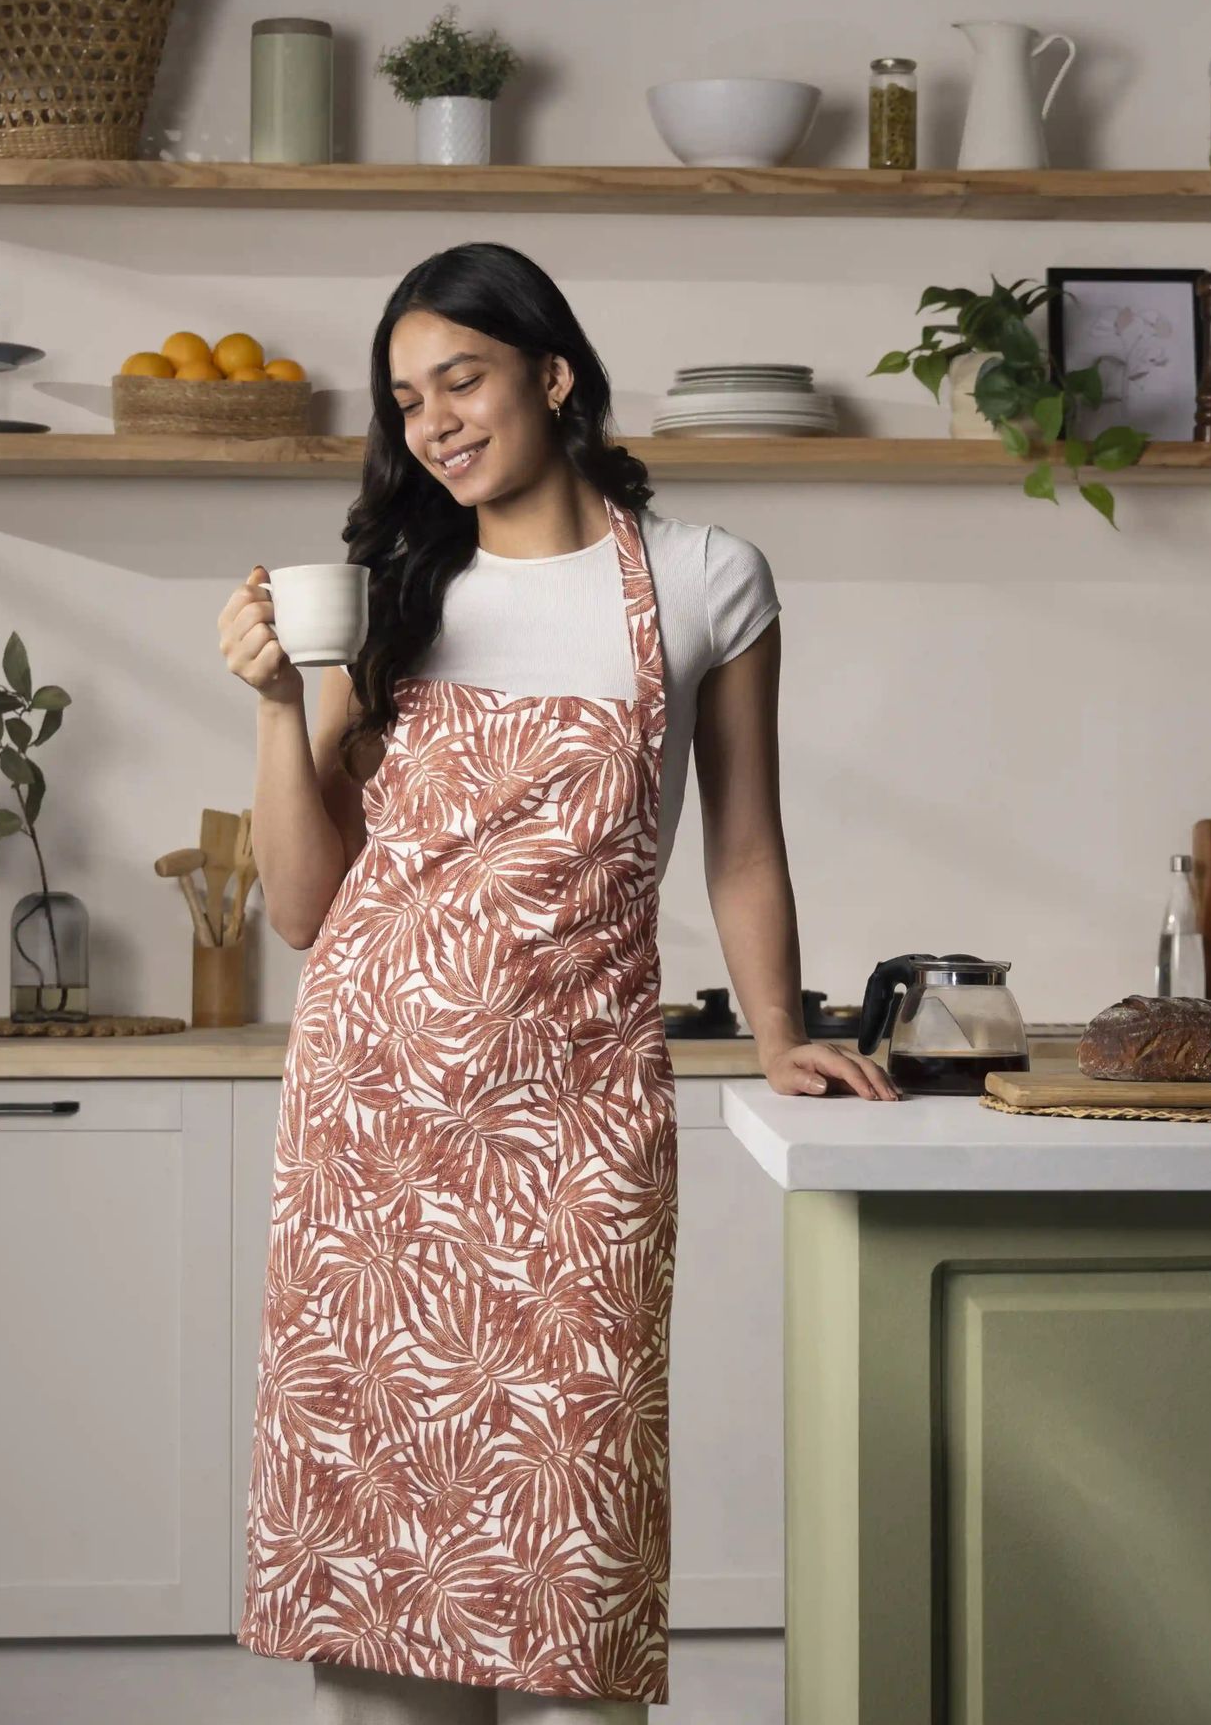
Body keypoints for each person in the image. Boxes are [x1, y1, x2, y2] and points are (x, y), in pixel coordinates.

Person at [221, 243, 896, 1722]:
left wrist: (781, 1033)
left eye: (460, 378)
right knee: (380, 1573)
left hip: (576, 1117)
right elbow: (300, 908)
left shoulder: (707, 577)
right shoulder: (392, 589)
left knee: (569, 1556)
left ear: (553, 373)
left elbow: (742, 846)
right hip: (372, 1121)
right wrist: (280, 709)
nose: (436, 421)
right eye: (407, 400)